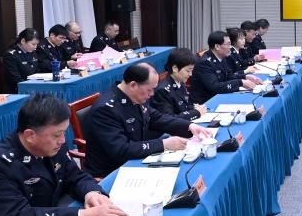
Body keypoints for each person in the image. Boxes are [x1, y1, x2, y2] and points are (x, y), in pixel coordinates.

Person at [83, 63, 213, 178]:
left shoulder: (135, 96)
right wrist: (163, 144)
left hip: (136, 159)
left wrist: (189, 126)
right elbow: (121, 150)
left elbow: (157, 118)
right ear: (133, 85)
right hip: (111, 172)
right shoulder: (106, 109)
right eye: (149, 90)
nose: (152, 94)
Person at [190, 31, 263, 106]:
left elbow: (229, 76)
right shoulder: (205, 63)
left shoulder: (221, 57)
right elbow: (215, 87)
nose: (230, 47)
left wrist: (245, 77)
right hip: (205, 103)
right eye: (228, 44)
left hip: (218, 97)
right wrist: (240, 82)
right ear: (217, 46)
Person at [149, 48, 207, 121]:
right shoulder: (163, 91)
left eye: (191, 70)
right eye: (188, 71)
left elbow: (184, 106)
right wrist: (195, 113)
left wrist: (194, 107)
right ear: (175, 68)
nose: (190, 74)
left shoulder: (180, 81)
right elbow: (168, 119)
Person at [2, 29, 42, 93]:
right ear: (23, 41)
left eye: (37, 44)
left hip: (33, 87)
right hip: (18, 90)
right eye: (33, 44)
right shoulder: (11, 55)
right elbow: (15, 79)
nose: (35, 47)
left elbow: (37, 71)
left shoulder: (32, 52)